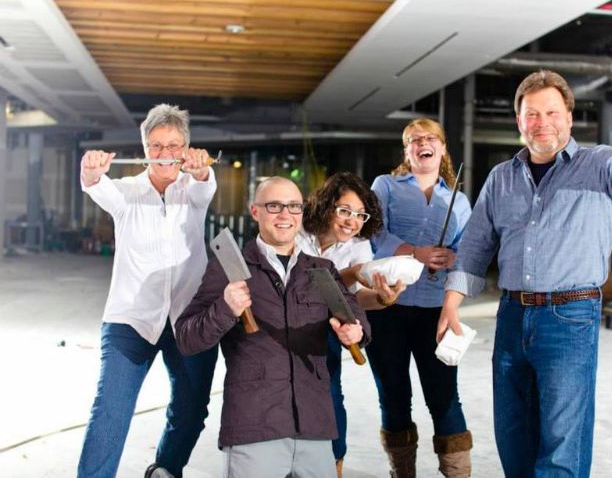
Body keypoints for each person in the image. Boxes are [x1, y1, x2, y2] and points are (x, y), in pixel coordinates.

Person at [439, 56, 612, 477]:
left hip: (570, 317)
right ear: (519, 121)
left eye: (551, 112)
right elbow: (475, 245)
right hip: (512, 316)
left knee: (562, 440)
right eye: (532, 114)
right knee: (513, 435)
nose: (541, 121)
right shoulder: (501, 178)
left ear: (569, 116)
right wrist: (451, 303)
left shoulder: (599, 167)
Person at [174, 176, 370, 478]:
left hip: (315, 427)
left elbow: (355, 318)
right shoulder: (228, 266)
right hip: (255, 427)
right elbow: (187, 339)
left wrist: (355, 332)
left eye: (293, 207)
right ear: (256, 212)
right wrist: (225, 307)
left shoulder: (321, 270)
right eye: (274, 206)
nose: (285, 215)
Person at [77, 104, 218, 478]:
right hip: (130, 320)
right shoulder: (125, 193)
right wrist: (91, 172)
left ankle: (165, 469)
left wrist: (202, 168)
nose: (165, 153)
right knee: (110, 410)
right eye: (156, 145)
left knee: (191, 407)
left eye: (174, 144)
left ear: (186, 147)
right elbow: (97, 187)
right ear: (144, 149)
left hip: (189, 318)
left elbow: (205, 182)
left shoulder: (195, 191)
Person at [368, 118, 473, 477]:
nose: (422, 143)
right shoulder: (385, 186)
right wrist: (416, 252)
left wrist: (452, 257)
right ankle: (403, 473)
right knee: (394, 398)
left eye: (431, 138)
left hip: (435, 311)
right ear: (407, 150)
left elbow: (468, 252)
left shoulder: (458, 200)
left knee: (444, 399)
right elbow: (373, 233)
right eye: (415, 139)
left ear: (443, 148)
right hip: (386, 308)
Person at [297, 172, 406, 477]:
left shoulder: (359, 245)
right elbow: (299, 284)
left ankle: (335, 466)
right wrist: (350, 274)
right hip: (282, 327)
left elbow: (354, 299)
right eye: (345, 210)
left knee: (330, 396)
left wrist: (385, 298)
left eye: (360, 214)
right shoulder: (297, 231)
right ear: (326, 206)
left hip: (323, 329)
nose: (352, 221)